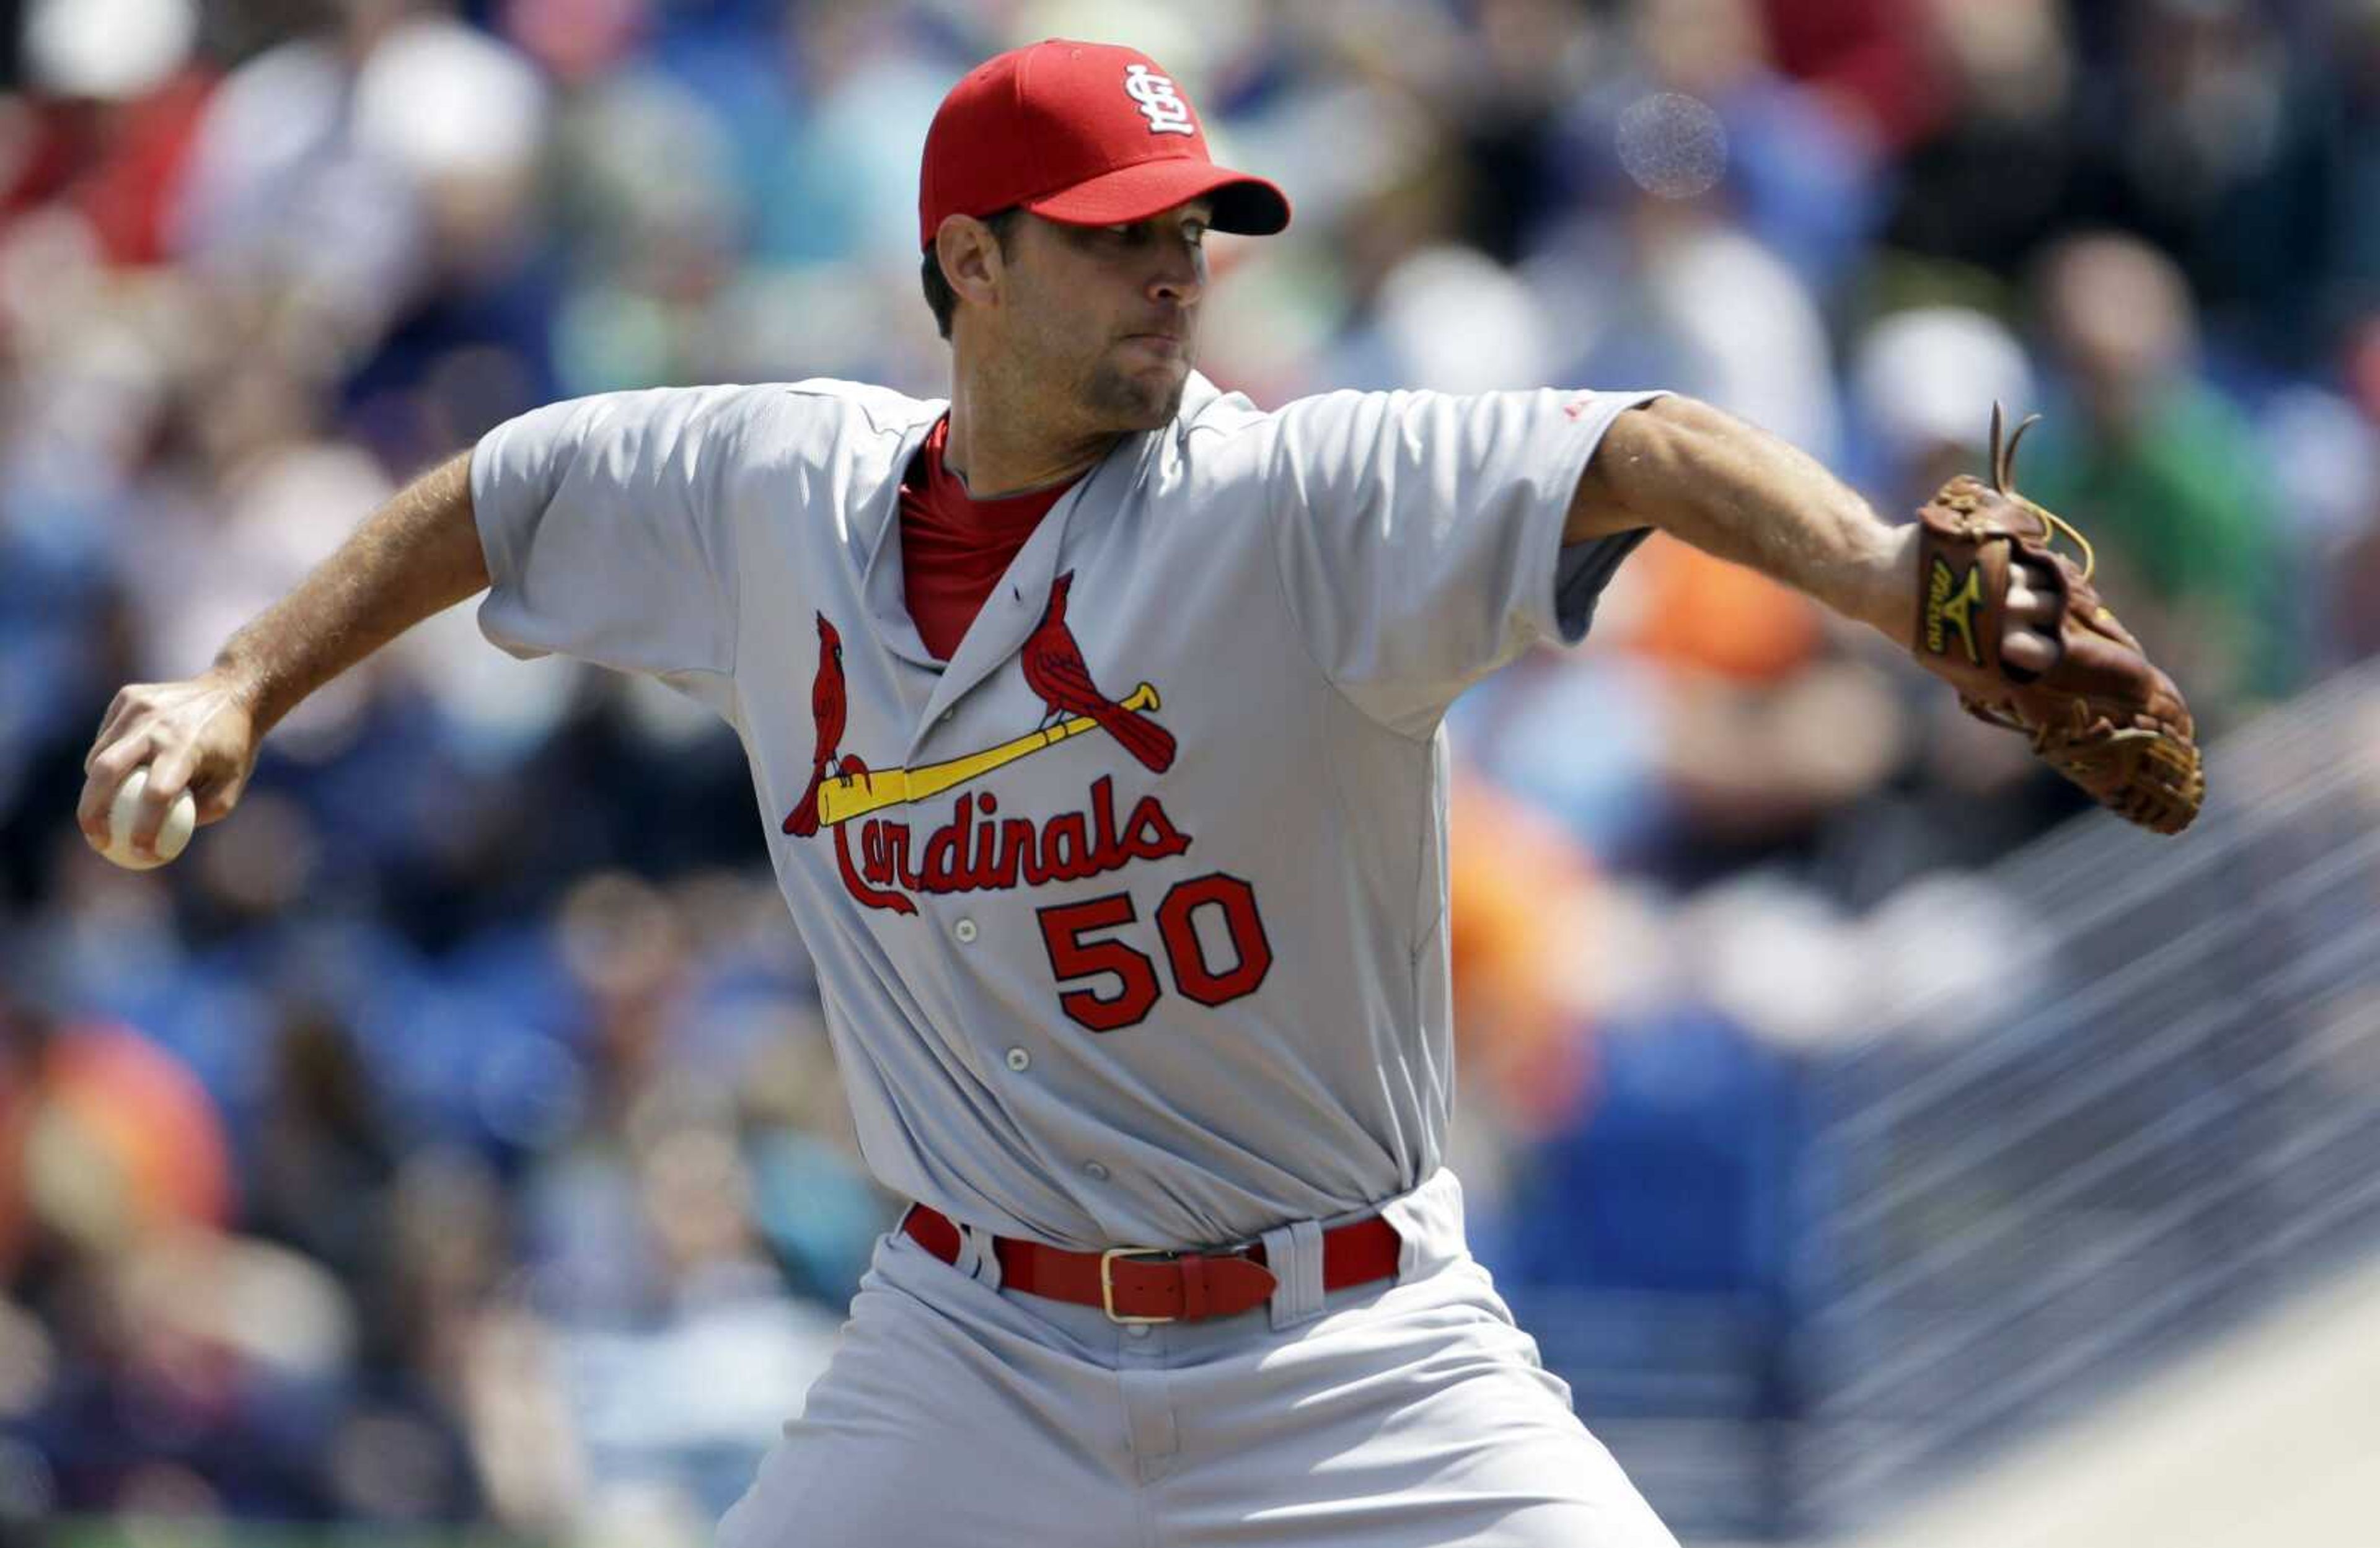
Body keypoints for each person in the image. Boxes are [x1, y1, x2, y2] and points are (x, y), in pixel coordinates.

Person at [79, 39, 2069, 1548]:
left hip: (1351, 1346)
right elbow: (505, 491)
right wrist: (245, 680)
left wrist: (1892, 579)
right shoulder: (779, 489)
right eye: (1119, 233)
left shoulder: (1297, 504)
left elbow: (1639, 442)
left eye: (1194, 227)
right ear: (970, 260)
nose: (1176, 270)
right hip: (976, 1348)